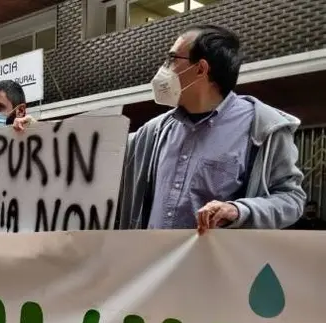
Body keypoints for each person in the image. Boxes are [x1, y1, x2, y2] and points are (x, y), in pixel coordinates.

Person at [117, 24, 306, 233]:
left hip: (215, 264)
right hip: (156, 262)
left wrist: (239, 210)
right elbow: (104, 158)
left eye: (172, 59)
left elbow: (291, 199)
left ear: (200, 68)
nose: (164, 68)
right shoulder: (155, 132)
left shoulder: (263, 129)